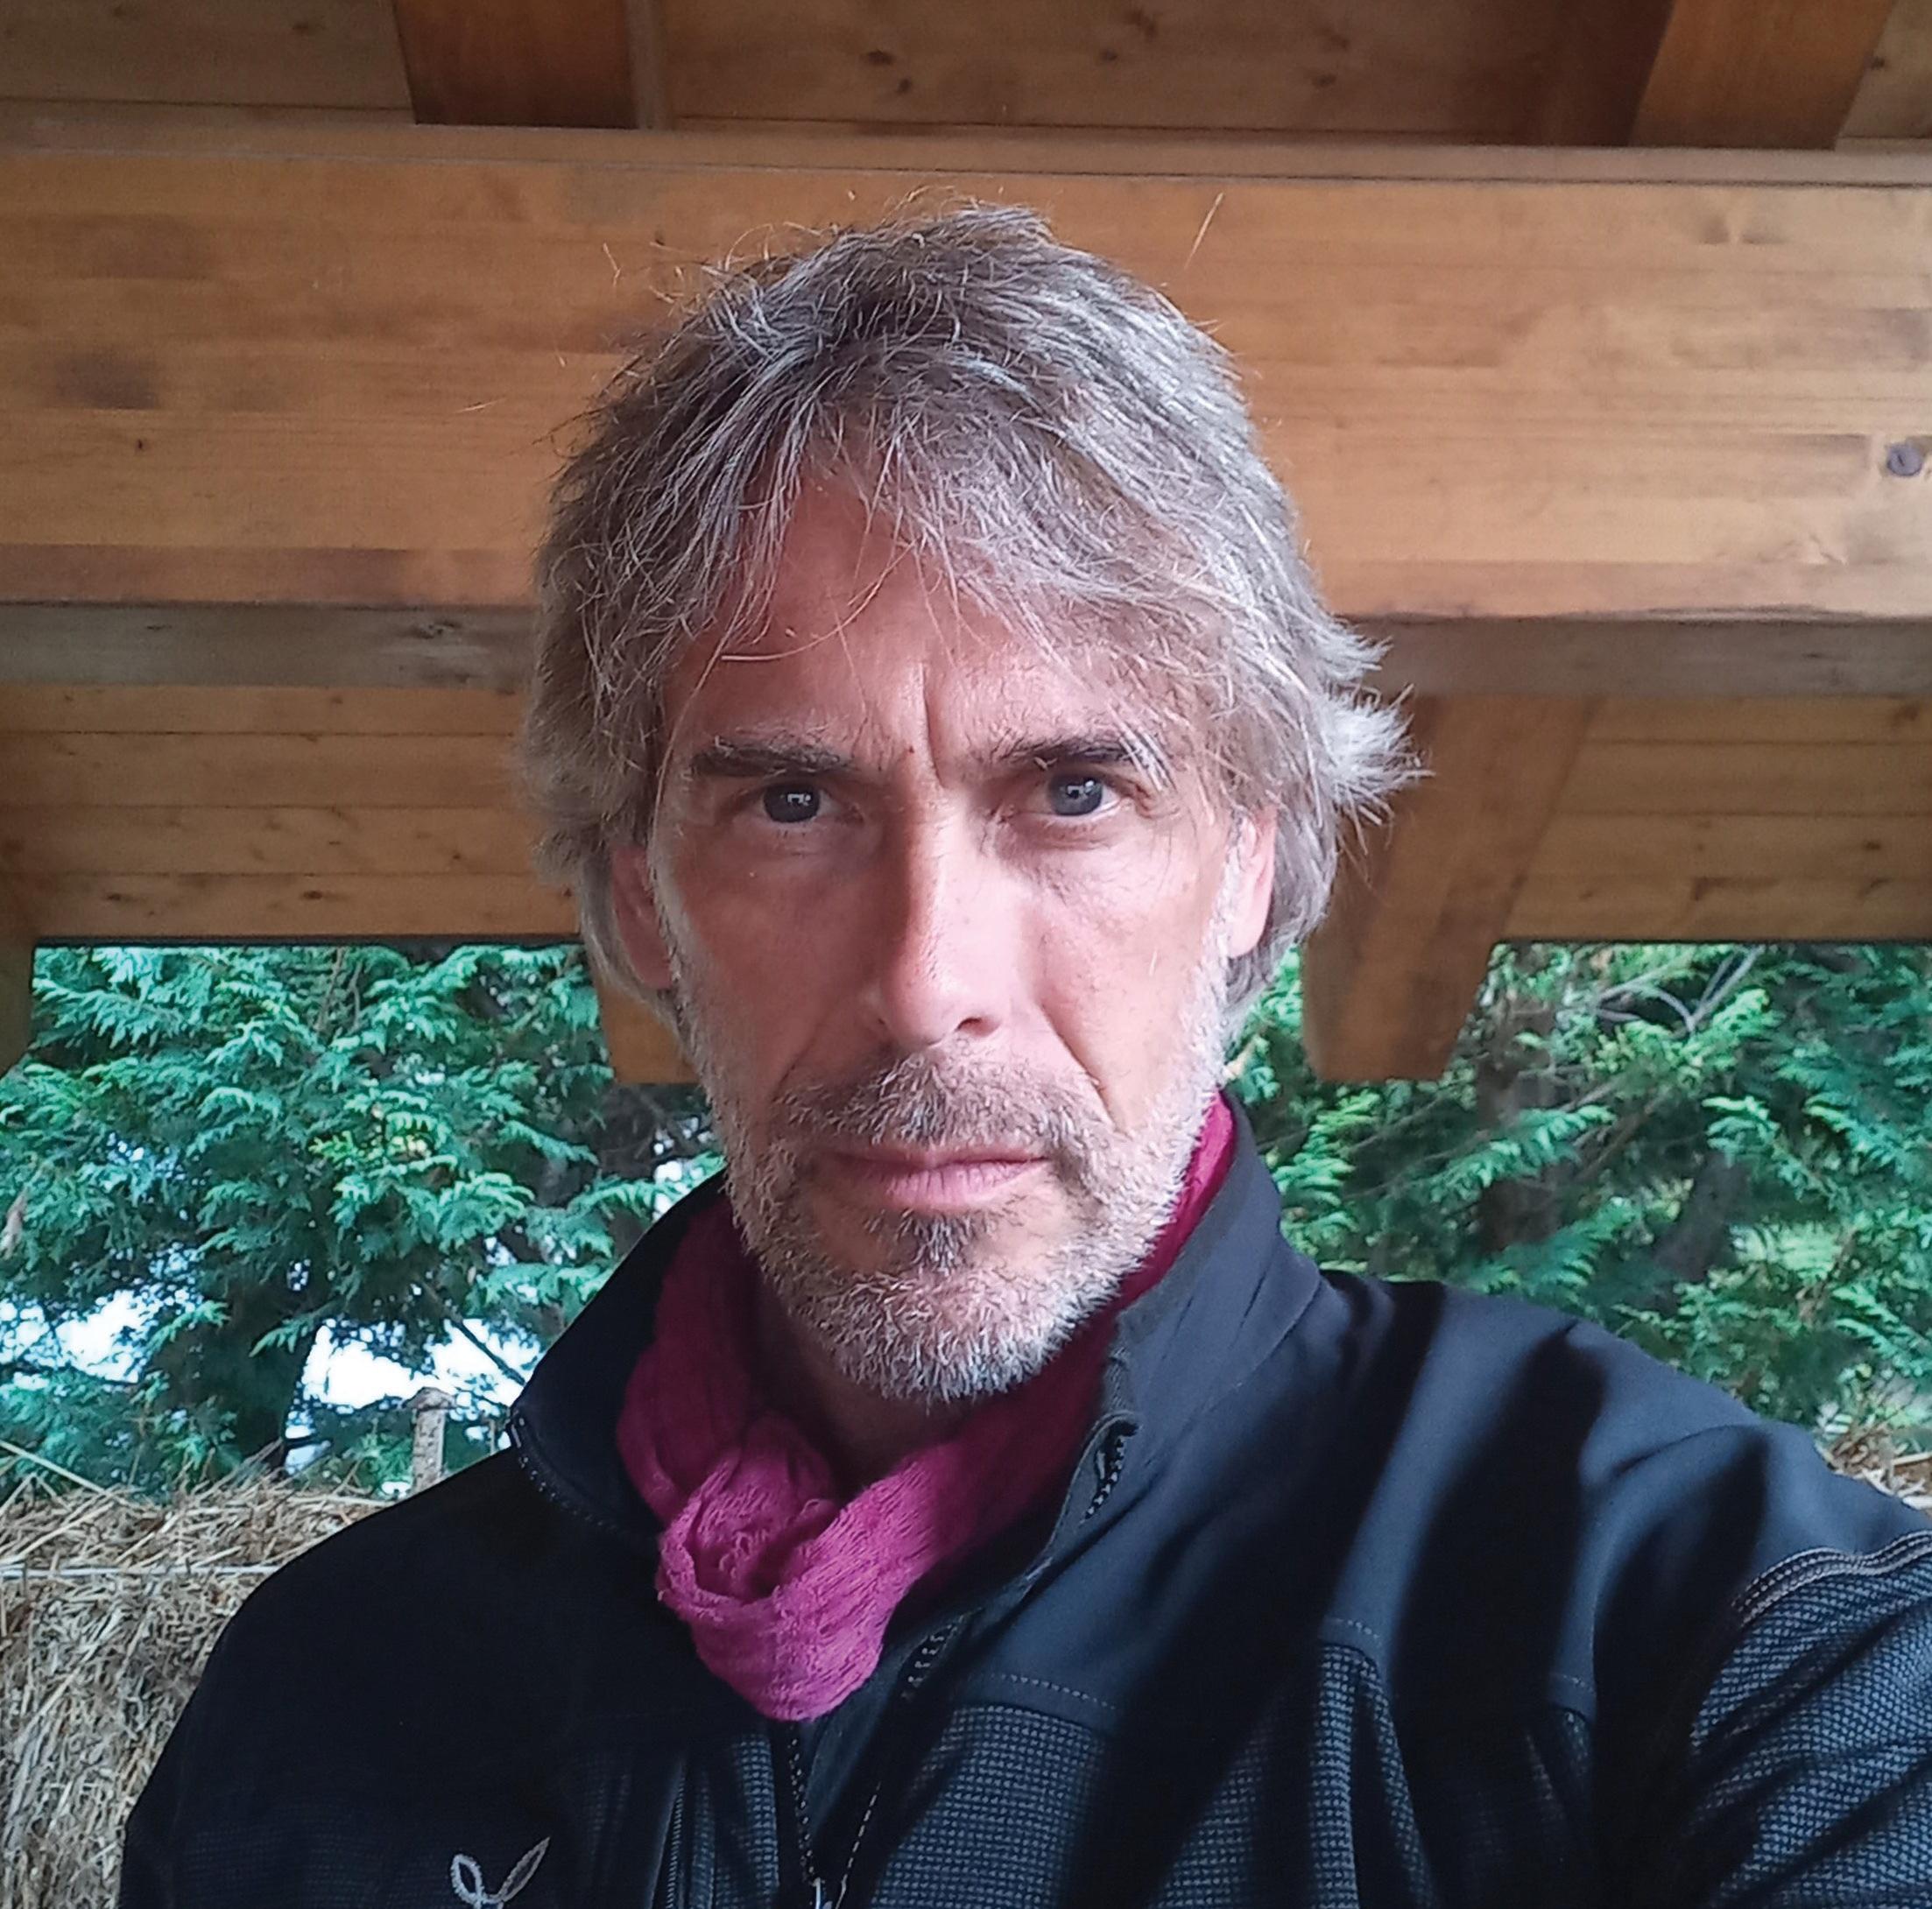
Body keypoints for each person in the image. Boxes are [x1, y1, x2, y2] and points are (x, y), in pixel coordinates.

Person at [123, 206, 1931, 1909]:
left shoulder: (1692, 1616)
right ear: (644, 899)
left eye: (1072, 792)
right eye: (791, 802)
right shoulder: (325, 1706)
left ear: (1247, 859)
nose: (927, 986)